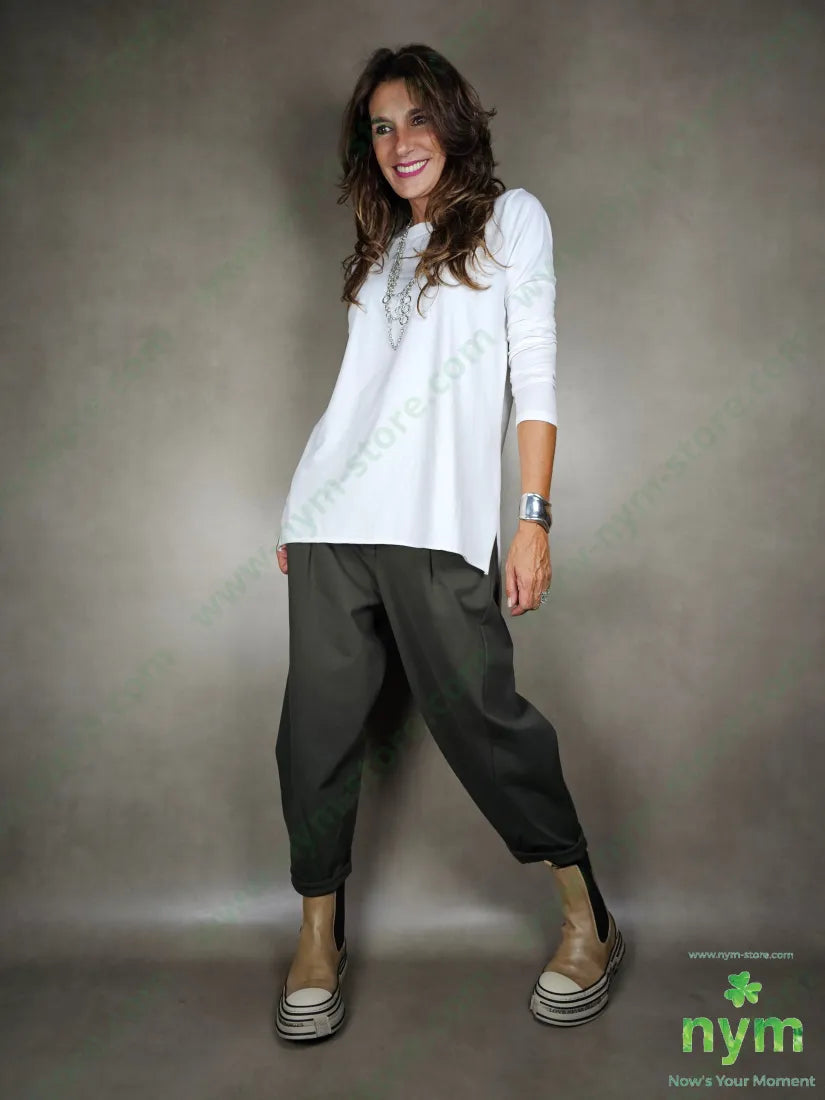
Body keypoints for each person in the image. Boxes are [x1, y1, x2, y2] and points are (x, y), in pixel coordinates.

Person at [272, 43, 625, 1042]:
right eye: (381, 128)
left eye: (416, 119)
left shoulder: (513, 220)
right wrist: (299, 507)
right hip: (331, 520)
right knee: (313, 734)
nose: (399, 144)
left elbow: (535, 373)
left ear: (454, 121)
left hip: (434, 524)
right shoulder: (380, 249)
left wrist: (532, 517)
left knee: (483, 720)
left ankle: (588, 919)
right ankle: (318, 933)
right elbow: (352, 399)